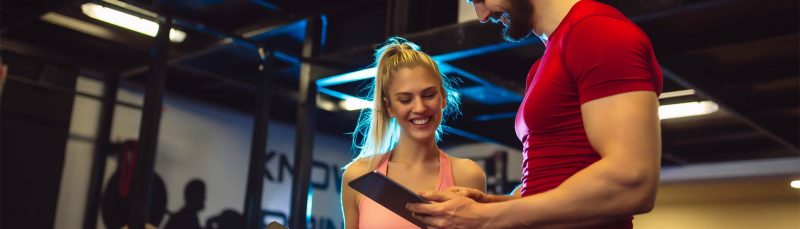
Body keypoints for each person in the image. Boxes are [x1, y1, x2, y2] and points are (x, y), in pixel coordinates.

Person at [406, 0, 663, 228]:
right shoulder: (543, 63)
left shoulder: (597, 31)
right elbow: (552, 183)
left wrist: (485, 217)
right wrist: (491, 204)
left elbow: (632, 180)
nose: (482, 15)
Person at [340, 37, 487, 229]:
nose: (419, 107)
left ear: (443, 97)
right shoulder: (358, 175)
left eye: (428, 95)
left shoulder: (468, 176)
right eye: (405, 99)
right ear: (389, 107)